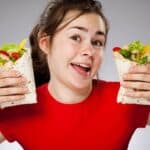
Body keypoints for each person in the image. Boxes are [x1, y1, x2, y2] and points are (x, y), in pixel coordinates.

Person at [0, 0, 150, 149]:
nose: (89, 51)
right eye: (75, 37)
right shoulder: (19, 110)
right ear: (45, 43)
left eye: (97, 42)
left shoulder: (130, 97)